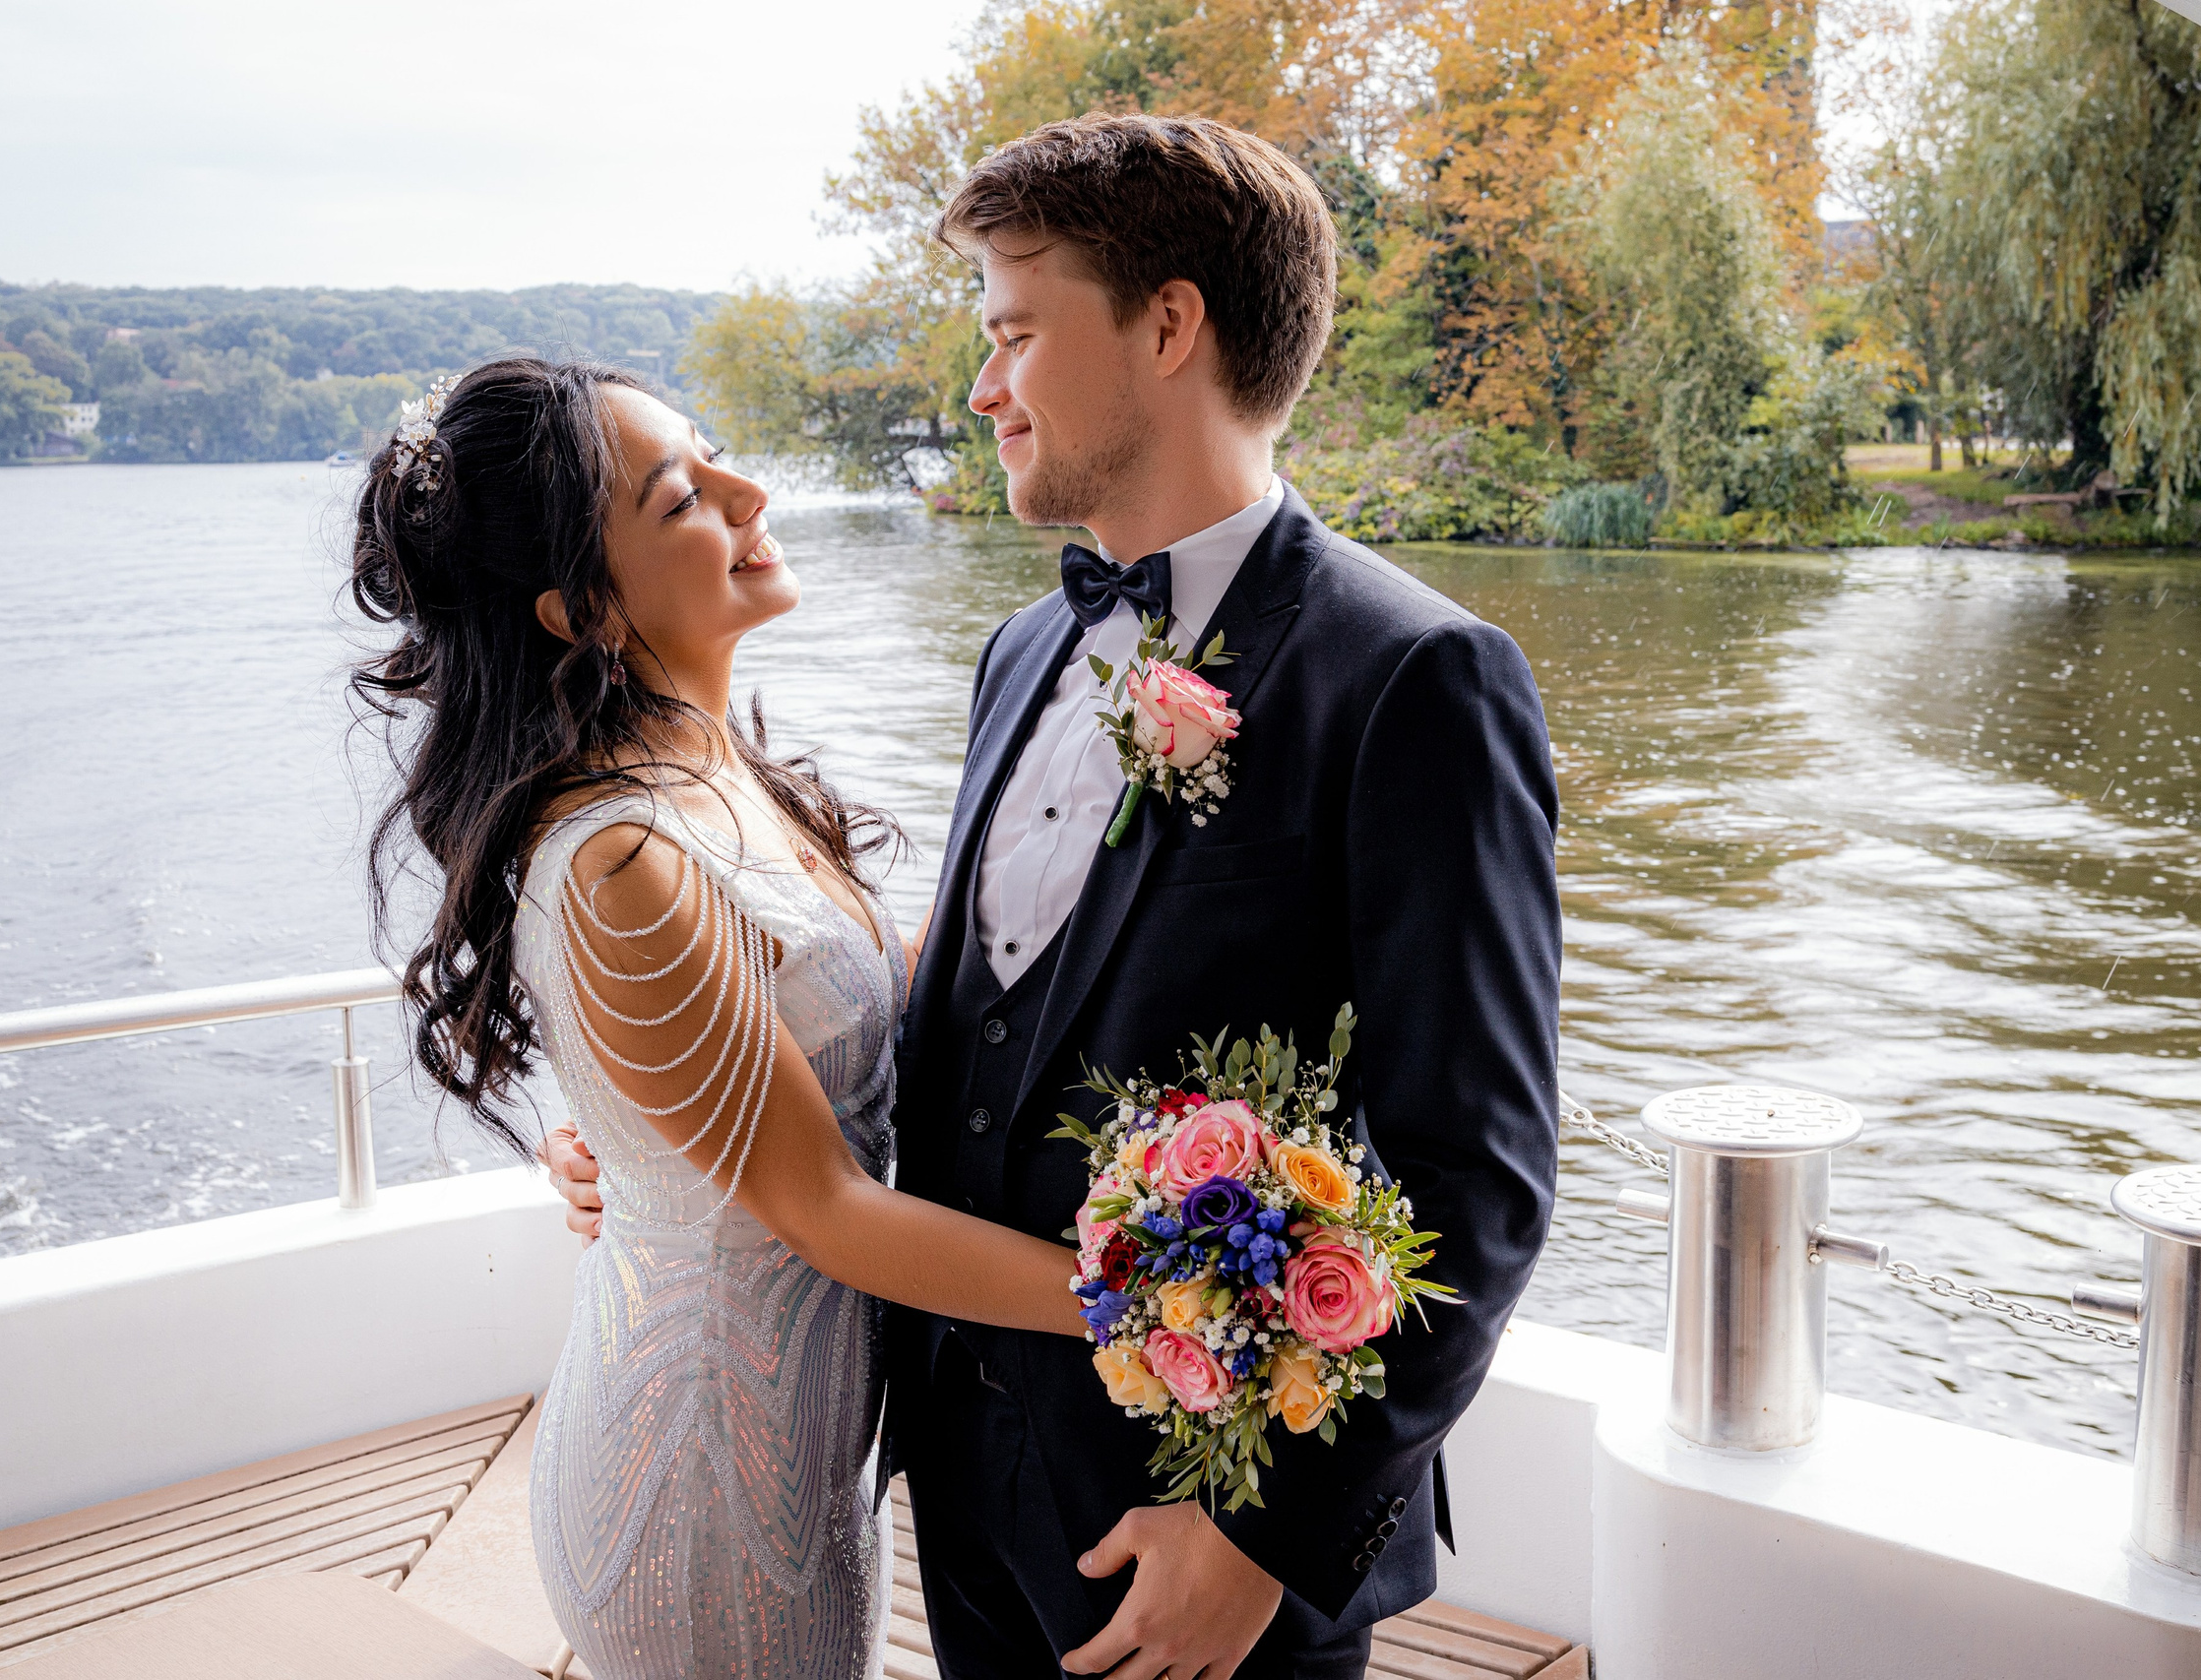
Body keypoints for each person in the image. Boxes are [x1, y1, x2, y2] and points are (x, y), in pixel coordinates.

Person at [549, 113, 1564, 1680]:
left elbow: (1472, 1179)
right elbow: (967, 1026)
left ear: (1168, 325)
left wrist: (1265, 1543)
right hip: (950, 1500)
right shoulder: (1020, 655)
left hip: (1199, 1542)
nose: (982, 386)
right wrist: (676, 1110)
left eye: (1017, 333)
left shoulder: (1417, 679)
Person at [350, 355, 1086, 1680]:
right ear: (580, 609)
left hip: (804, 1442)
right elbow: (826, 1209)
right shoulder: (620, 855)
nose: (752, 493)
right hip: (703, 1468)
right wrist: (1153, 1308)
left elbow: (849, 1023)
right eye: (685, 495)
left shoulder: (723, 772)